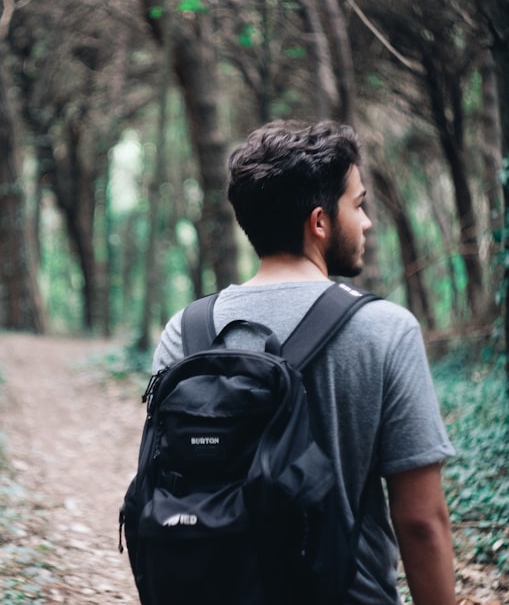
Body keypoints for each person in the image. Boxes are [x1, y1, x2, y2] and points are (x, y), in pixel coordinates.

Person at [150, 120, 457, 604]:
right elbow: (420, 521)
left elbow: (164, 490)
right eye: (358, 205)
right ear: (319, 222)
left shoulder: (184, 333)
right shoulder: (387, 330)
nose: (367, 222)